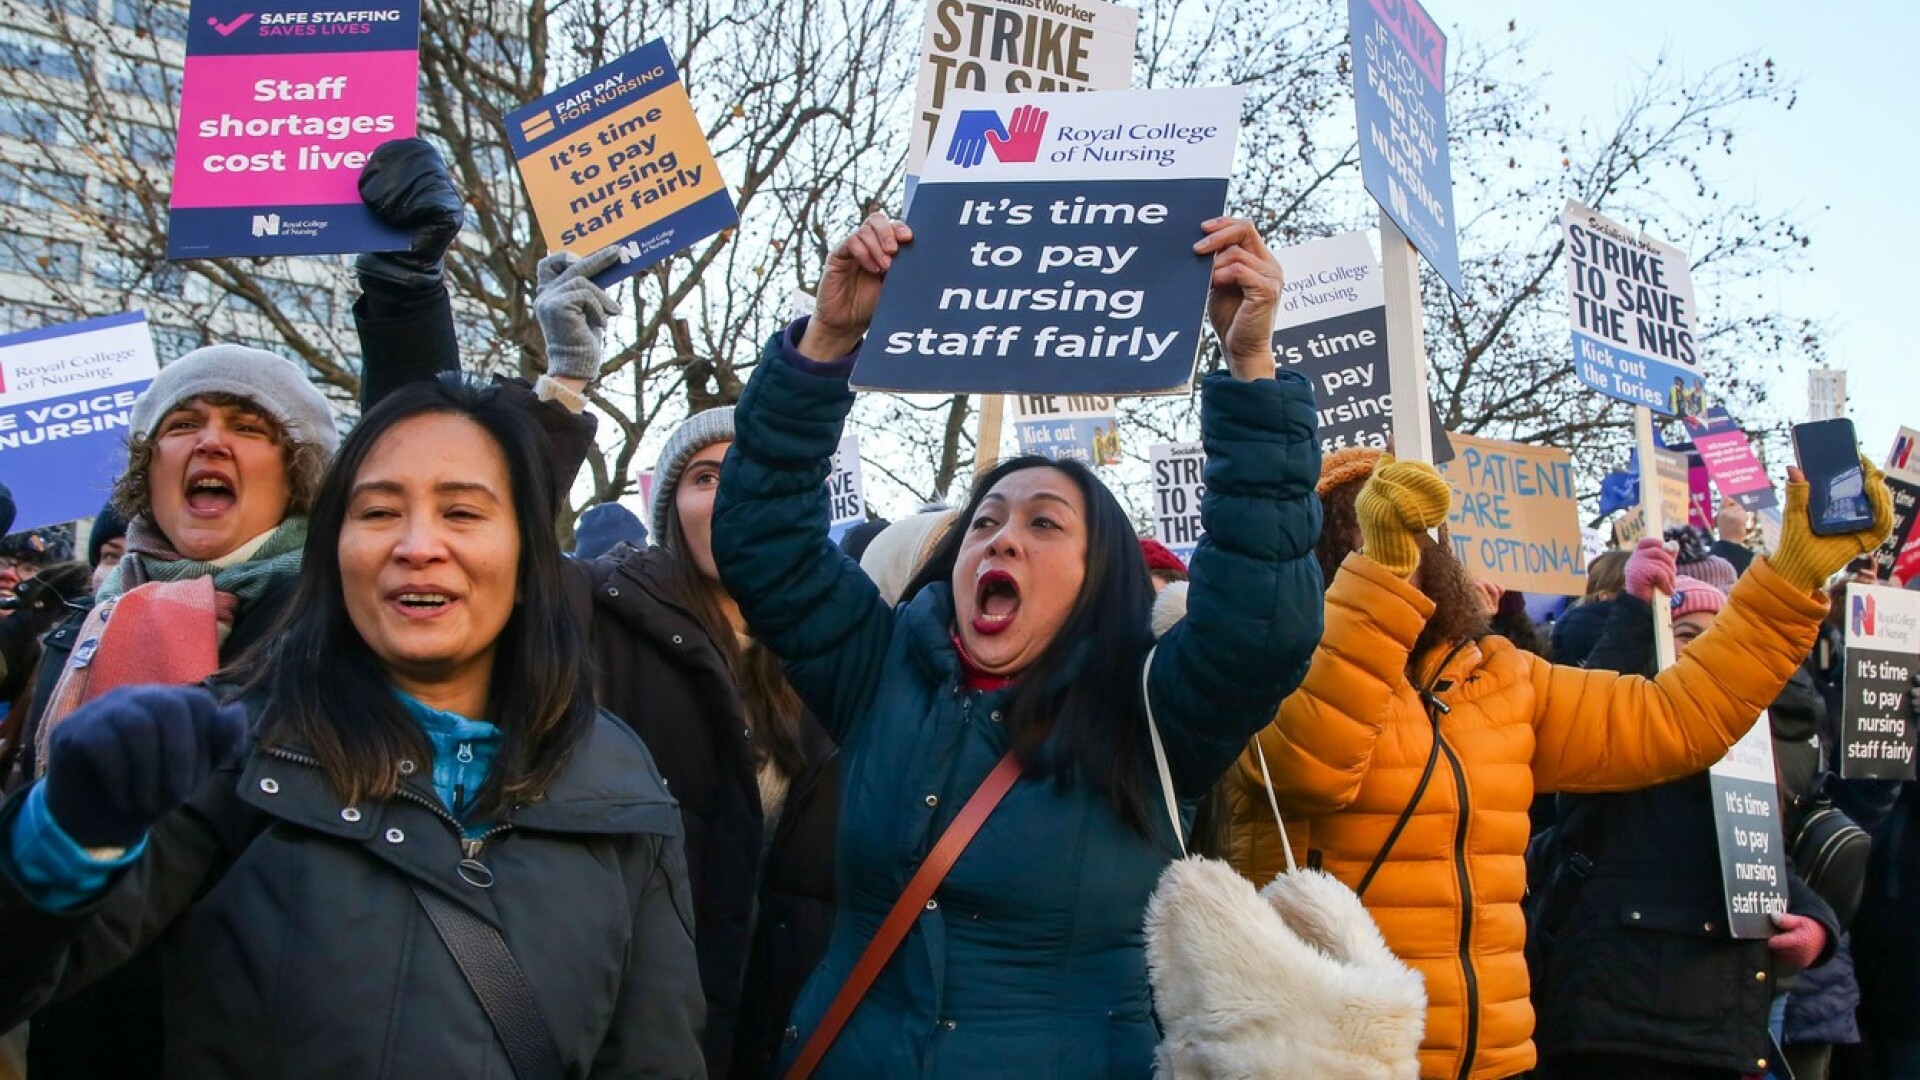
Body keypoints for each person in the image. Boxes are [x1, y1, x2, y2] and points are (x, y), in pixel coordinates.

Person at [710, 213, 1324, 1077]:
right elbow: (763, 539)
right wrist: (828, 341)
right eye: (986, 522)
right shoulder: (880, 670)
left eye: (1044, 525)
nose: (1002, 541)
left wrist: (1250, 369)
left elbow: (1264, 620)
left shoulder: (1150, 711)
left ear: (1098, 572)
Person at [0, 377, 704, 1076]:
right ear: (334, 554)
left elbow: (654, 1058)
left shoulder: (619, 781)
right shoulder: (232, 745)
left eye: (462, 512)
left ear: (527, 560)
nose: (417, 545)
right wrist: (60, 839)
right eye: (377, 512)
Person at [1225, 445, 1892, 1080]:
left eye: (1415, 535)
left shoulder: (1502, 679)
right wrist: (1381, 581)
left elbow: (1678, 719)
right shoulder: (1268, 673)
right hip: (1330, 1055)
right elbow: (1311, 767)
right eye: (1367, 534)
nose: (1409, 552)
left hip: (1494, 1060)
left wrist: (1793, 575)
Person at [525, 241, 843, 1078]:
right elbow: (499, 561)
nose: (729, 491)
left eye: (750, 473)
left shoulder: (832, 658)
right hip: (627, 1034)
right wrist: (561, 389)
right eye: (703, 477)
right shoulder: (596, 612)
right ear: (671, 511)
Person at [1528, 539, 1841, 1080]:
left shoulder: (1746, 749)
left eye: (1716, 641)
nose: (1702, 653)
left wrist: (1817, 925)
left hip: (1716, 1026)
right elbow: (1591, 719)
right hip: (1616, 1020)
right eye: (1686, 636)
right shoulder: (1623, 731)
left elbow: (1763, 861)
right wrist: (1632, 608)